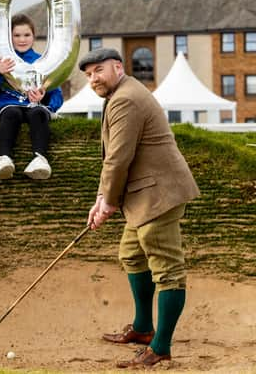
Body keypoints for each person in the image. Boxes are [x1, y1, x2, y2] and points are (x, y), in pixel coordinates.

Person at [80, 47, 200, 369]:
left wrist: (108, 203)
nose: (93, 79)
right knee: (132, 254)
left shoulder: (126, 99)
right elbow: (113, 159)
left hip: (159, 195)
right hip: (144, 196)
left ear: (117, 67)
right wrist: (101, 199)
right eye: (89, 74)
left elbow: (120, 159)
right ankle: (144, 329)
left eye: (99, 71)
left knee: (168, 272)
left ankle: (160, 347)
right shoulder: (119, 95)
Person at [0, 14, 63, 180]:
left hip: (33, 107)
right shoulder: (2, 62)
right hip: (8, 106)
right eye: (16, 35)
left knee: (39, 113)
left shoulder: (42, 62)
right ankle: (4, 158)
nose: (22, 40)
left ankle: (40, 159)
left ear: (33, 37)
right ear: (9, 37)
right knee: (12, 113)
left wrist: (44, 100)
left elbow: (57, 95)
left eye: (26, 35)